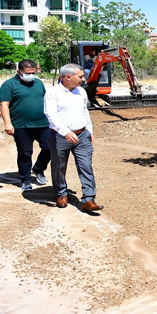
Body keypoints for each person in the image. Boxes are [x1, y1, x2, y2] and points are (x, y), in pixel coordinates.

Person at [44, 64, 103, 212]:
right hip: (60, 136)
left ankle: (88, 199)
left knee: (86, 166)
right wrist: (65, 132)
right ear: (68, 77)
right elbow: (51, 115)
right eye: (80, 76)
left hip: (82, 134)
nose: (83, 79)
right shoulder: (53, 93)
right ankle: (61, 194)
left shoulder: (81, 92)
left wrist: (89, 130)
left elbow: (85, 111)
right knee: (59, 166)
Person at [0, 59, 50, 191]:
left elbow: (45, 101)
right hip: (21, 126)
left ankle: (39, 168)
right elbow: (4, 105)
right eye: (28, 73)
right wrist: (8, 123)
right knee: (25, 153)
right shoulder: (9, 84)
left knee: (49, 148)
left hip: (43, 124)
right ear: (19, 72)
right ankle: (26, 179)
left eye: (33, 72)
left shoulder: (38, 83)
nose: (31, 75)